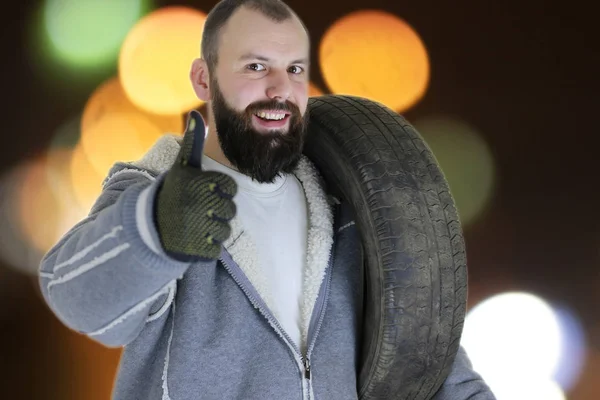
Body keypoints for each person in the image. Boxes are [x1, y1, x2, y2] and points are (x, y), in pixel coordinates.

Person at [38, 0, 496, 399]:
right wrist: (155, 229)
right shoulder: (155, 192)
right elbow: (76, 297)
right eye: (255, 67)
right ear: (204, 79)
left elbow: (425, 355)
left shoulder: (351, 209)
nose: (279, 89)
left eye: (294, 69)